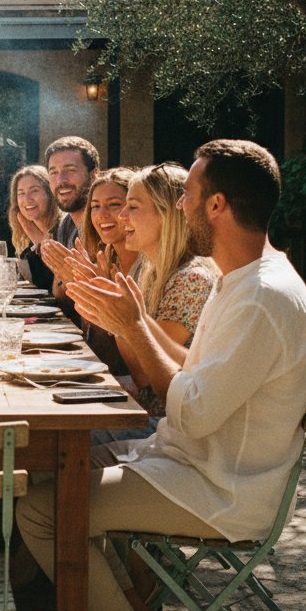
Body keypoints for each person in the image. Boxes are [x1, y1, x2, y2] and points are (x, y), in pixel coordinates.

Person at [16, 139, 306, 611]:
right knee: (45, 476)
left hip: (218, 487)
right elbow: (188, 375)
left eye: (187, 195)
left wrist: (131, 328)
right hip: (187, 456)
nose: (179, 205)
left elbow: (193, 409)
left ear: (217, 206)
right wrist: (127, 317)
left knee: (40, 508)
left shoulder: (261, 298)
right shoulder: (245, 278)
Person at [83, 163, 217, 443]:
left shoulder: (190, 279)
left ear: (166, 214)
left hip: (168, 427)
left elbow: (146, 377)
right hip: (149, 413)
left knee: (67, 439)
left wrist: (117, 318)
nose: (121, 216)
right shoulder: (152, 272)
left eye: (132, 207)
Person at [77, 168, 140, 375]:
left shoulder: (152, 266)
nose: (102, 214)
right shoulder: (106, 259)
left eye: (114, 205)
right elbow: (101, 353)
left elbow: (132, 365)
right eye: (95, 206)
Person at [37, 136, 100, 318]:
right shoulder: (66, 224)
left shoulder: (105, 222)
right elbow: (63, 298)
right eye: (53, 172)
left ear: (94, 174)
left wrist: (68, 284)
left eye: (70, 170)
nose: (61, 180)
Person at [7, 164, 61, 291]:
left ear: (50, 193)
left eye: (34, 191)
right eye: (21, 193)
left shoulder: (65, 230)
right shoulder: (25, 238)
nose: (27, 199)